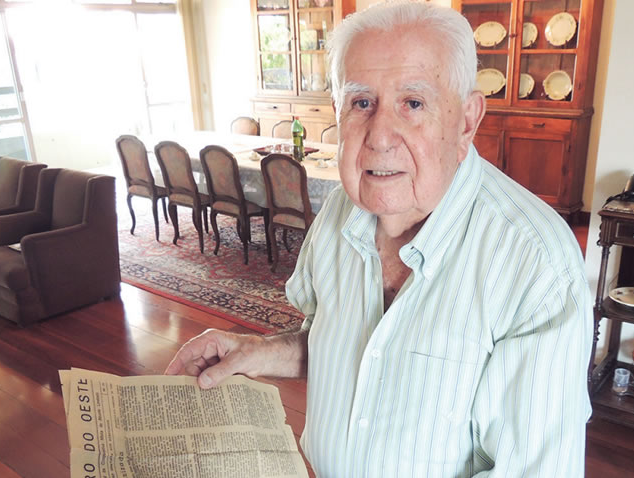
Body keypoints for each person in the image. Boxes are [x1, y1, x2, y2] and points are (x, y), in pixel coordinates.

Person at [166, 2, 592, 476]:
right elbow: (338, 346)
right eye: (361, 103)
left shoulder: (535, 263)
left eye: (413, 103)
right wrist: (259, 351)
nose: (380, 136)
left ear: (466, 121)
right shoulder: (338, 213)